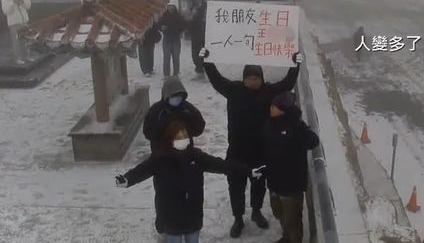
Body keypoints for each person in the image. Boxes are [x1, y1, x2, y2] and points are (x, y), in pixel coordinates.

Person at [198, 47, 303, 238]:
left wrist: (295, 64)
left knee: (258, 183)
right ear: (244, 78)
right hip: (237, 149)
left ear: (262, 78)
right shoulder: (234, 90)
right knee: (235, 184)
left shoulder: (269, 91)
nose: (253, 81)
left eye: (256, 77)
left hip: (260, 150)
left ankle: (256, 211)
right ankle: (238, 217)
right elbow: (216, 80)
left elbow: (287, 84)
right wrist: (207, 61)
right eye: (249, 77)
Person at [115, 119, 263, 243]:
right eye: (178, 137)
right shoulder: (159, 159)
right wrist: (126, 179)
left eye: (185, 136)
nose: (182, 139)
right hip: (170, 216)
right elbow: (141, 171)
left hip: (193, 215)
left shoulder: (196, 157)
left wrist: (248, 171)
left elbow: (222, 165)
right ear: (170, 139)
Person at [261, 91, 320, 243]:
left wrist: (296, 129)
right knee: (279, 214)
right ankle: (286, 238)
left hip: (292, 185)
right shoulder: (269, 124)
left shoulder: (297, 127)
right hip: (274, 181)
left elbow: (313, 141)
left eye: (274, 106)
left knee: (292, 221)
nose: (271, 108)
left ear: (282, 110)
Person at [143, 76, 205, 153]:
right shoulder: (156, 110)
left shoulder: (187, 108)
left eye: (179, 95)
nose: (177, 98)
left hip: (185, 152)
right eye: (173, 95)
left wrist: (185, 129)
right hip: (162, 154)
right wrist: (164, 128)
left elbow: (199, 127)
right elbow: (148, 132)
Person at [2, 0, 32, 65]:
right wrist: (13, 2)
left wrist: (22, 2)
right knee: (17, 42)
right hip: (14, 24)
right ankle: (18, 58)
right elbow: (6, 11)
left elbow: (28, 6)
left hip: (24, 22)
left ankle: (27, 57)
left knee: (26, 40)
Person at [159, 4, 186, 78]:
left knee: (176, 58)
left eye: (172, 6)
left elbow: (184, 25)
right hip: (167, 38)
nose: (171, 8)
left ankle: (176, 74)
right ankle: (166, 75)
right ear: (167, 7)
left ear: (175, 7)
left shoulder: (178, 16)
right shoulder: (163, 15)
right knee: (166, 58)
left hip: (176, 39)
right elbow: (158, 24)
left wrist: (180, 31)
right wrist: (161, 28)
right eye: (169, 6)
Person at [188, 0, 207, 77]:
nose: (196, 1)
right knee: (195, 54)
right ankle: (199, 69)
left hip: (205, 34)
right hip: (195, 34)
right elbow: (189, 20)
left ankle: (204, 69)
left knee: (204, 53)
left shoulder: (206, 7)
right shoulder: (191, 9)